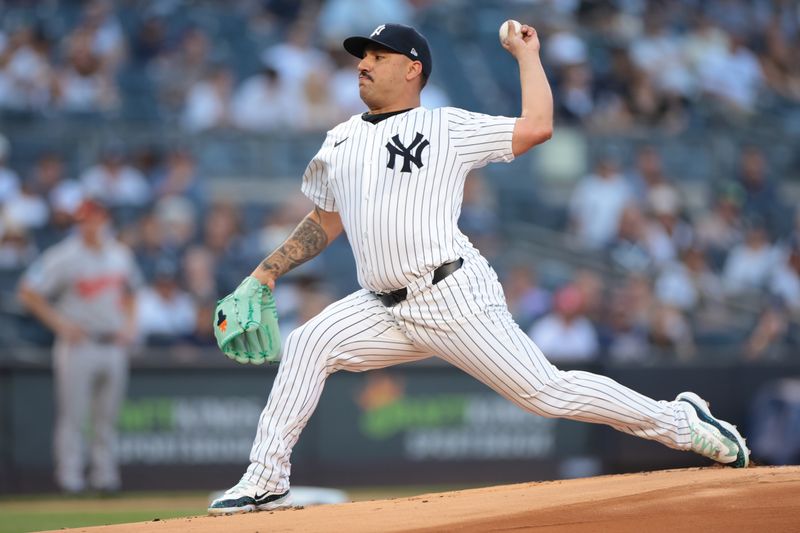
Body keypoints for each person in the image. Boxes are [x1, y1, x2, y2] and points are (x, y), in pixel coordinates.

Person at [208, 22, 750, 515]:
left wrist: (527, 55)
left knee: (547, 393)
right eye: (361, 55)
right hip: (381, 306)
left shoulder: (445, 126)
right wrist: (264, 273)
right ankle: (266, 479)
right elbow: (325, 221)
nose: (363, 63)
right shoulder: (341, 139)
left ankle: (681, 422)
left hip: (451, 294)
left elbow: (537, 126)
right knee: (308, 344)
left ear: (412, 67)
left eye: (377, 54)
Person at [18, 198, 141, 493]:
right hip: (79, 344)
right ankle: (70, 479)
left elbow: (133, 292)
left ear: (104, 219)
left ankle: (105, 478)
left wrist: (130, 325)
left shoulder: (119, 254)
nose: (89, 224)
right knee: (73, 416)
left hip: (113, 344)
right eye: (83, 219)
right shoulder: (63, 256)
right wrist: (59, 324)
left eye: (94, 218)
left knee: (107, 418)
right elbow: (28, 291)